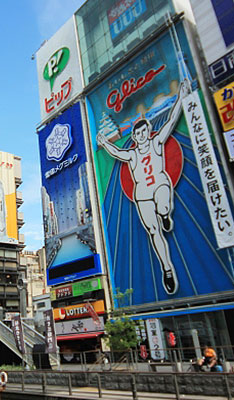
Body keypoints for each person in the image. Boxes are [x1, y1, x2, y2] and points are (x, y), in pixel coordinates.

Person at [97, 79, 191, 295]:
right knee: (153, 231)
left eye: (143, 132)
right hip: (143, 195)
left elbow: (171, 119)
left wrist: (181, 97)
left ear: (147, 131)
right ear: (135, 136)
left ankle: (165, 213)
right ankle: (167, 269)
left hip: (159, 184)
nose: (140, 137)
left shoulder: (157, 142)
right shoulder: (131, 154)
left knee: (163, 195)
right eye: (137, 134)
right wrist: (104, 142)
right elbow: (116, 153)